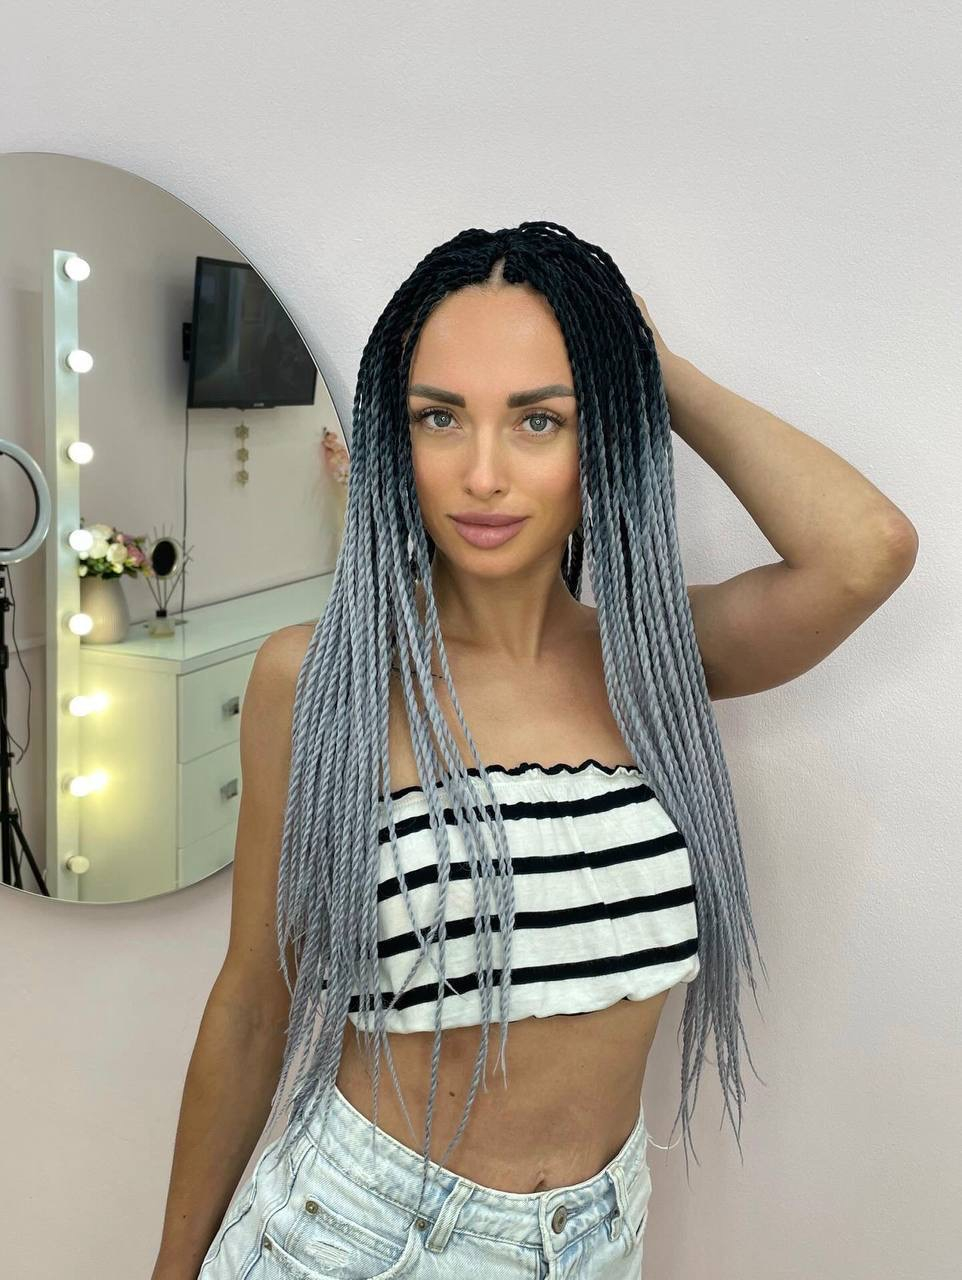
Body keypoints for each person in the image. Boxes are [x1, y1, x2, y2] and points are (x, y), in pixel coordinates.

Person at [150, 222, 917, 1280]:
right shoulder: (321, 676)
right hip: (358, 1236)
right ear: (395, 440)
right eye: (439, 417)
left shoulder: (652, 663)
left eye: (538, 419)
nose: (482, 473)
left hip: (597, 1242)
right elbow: (251, 1003)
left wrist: (650, 369)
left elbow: (866, 551)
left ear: (599, 438)